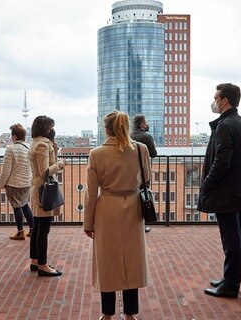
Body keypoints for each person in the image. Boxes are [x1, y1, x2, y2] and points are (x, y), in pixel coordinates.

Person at [84, 111, 150, 320]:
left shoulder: (96, 154)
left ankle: (107, 313)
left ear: (106, 129)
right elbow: (146, 179)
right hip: (133, 207)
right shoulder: (141, 149)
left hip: (107, 210)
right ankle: (130, 314)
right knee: (132, 260)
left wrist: (88, 222)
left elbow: (91, 193)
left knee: (108, 261)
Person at [197, 83, 241, 299]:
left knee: (231, 240)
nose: (214, 101)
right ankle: (230, 279)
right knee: (236, 237)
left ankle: (230, 284)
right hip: (236, 189)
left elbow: (221, 161)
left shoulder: (225, 125)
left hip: (226, 192)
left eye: (216, 97)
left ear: (224, 100)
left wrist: (207, 183)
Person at [28, 115, 66, 277]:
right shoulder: (43, 146)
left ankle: (35, 261)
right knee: (43, 229)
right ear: (45, 128)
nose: (52, 130)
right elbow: (45, 172)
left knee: (37, 227)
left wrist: (54, 151)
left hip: (37, 188)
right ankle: (43, 265)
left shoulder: (36, 143)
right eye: (50, 127)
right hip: (44, 189)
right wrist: (60, 164)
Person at [0, 123, 34, 240]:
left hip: (14, 183)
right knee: (24, 205)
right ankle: (33, 228)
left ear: (14, 137)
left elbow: (6, 170)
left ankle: (20, 232)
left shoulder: (11, 149)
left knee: (17, 206)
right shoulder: (29, 148)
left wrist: (2, 184)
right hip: (26, 182)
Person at [131, 114, 157, 233]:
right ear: (142, 124)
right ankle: (143, 224)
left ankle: (131, 223)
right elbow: (153, 154)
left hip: (129, 171)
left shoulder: (129, 135)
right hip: (143, 172)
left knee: (132, 197)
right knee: (143, 197)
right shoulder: (146, 137)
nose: (147, 125)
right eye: (145, 122)